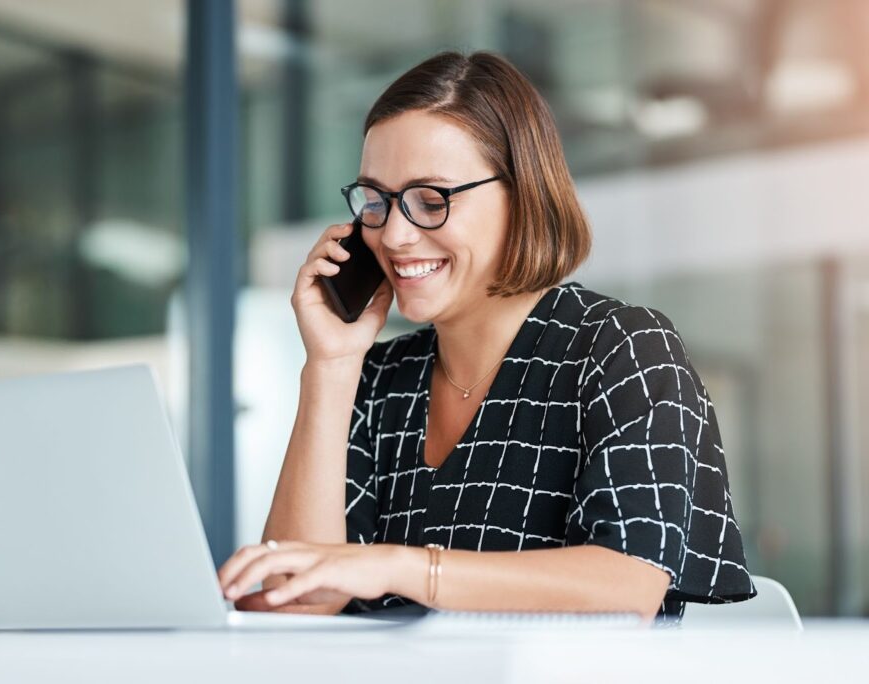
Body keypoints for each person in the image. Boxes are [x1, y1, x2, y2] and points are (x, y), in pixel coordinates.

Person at [217, 50, 755, 622]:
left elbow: (627, 584)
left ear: (522, 197)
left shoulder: (623, 348)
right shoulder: (378, 378)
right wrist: (329, 365)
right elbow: (289, 607)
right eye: (376, 201)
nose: (394, 236)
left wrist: (398, 567)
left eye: (431, 200)